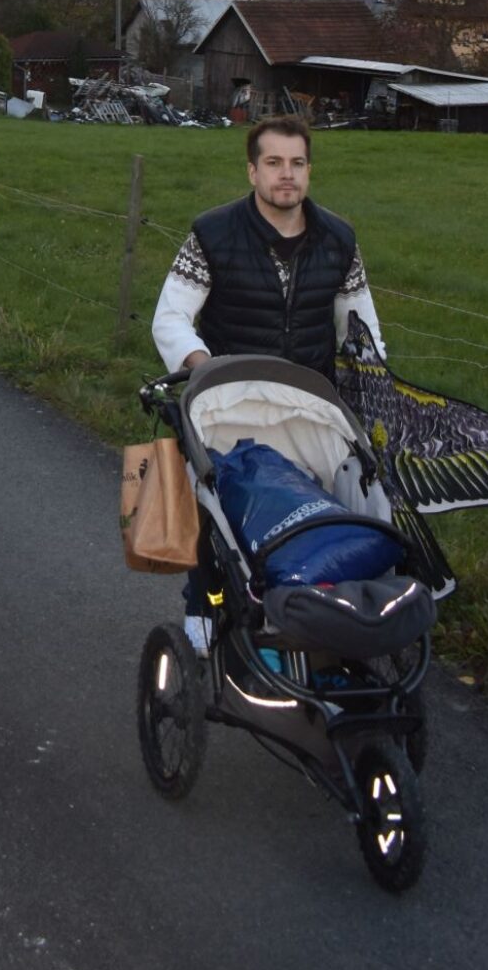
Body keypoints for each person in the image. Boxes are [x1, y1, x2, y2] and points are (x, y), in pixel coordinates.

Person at [151, 113, 387, 651]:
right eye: (274, 162)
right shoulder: (212, 234)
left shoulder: (339, 240)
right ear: (252, 171)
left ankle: (312, 610)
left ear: (309, 171)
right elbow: (170, 317)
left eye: (298, 163)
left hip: (307, 408)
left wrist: (371, 391)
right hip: (229, 405)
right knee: (217, 518)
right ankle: (202, 612)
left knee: (318, 509)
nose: (287, 174)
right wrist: (204, 369)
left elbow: (362, 328)